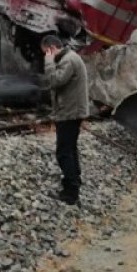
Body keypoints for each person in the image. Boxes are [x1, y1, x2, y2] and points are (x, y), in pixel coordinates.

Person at [41, 35, 89, 205]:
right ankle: (75, 181)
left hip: (69, 113)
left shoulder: (68, 60)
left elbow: (54, 81)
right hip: (72, 112)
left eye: (45, 52)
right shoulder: (71, 58)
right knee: (70, 149)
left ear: (51, 48)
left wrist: (48, 61)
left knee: (63, 153)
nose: (45, 55)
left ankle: (71, 192)